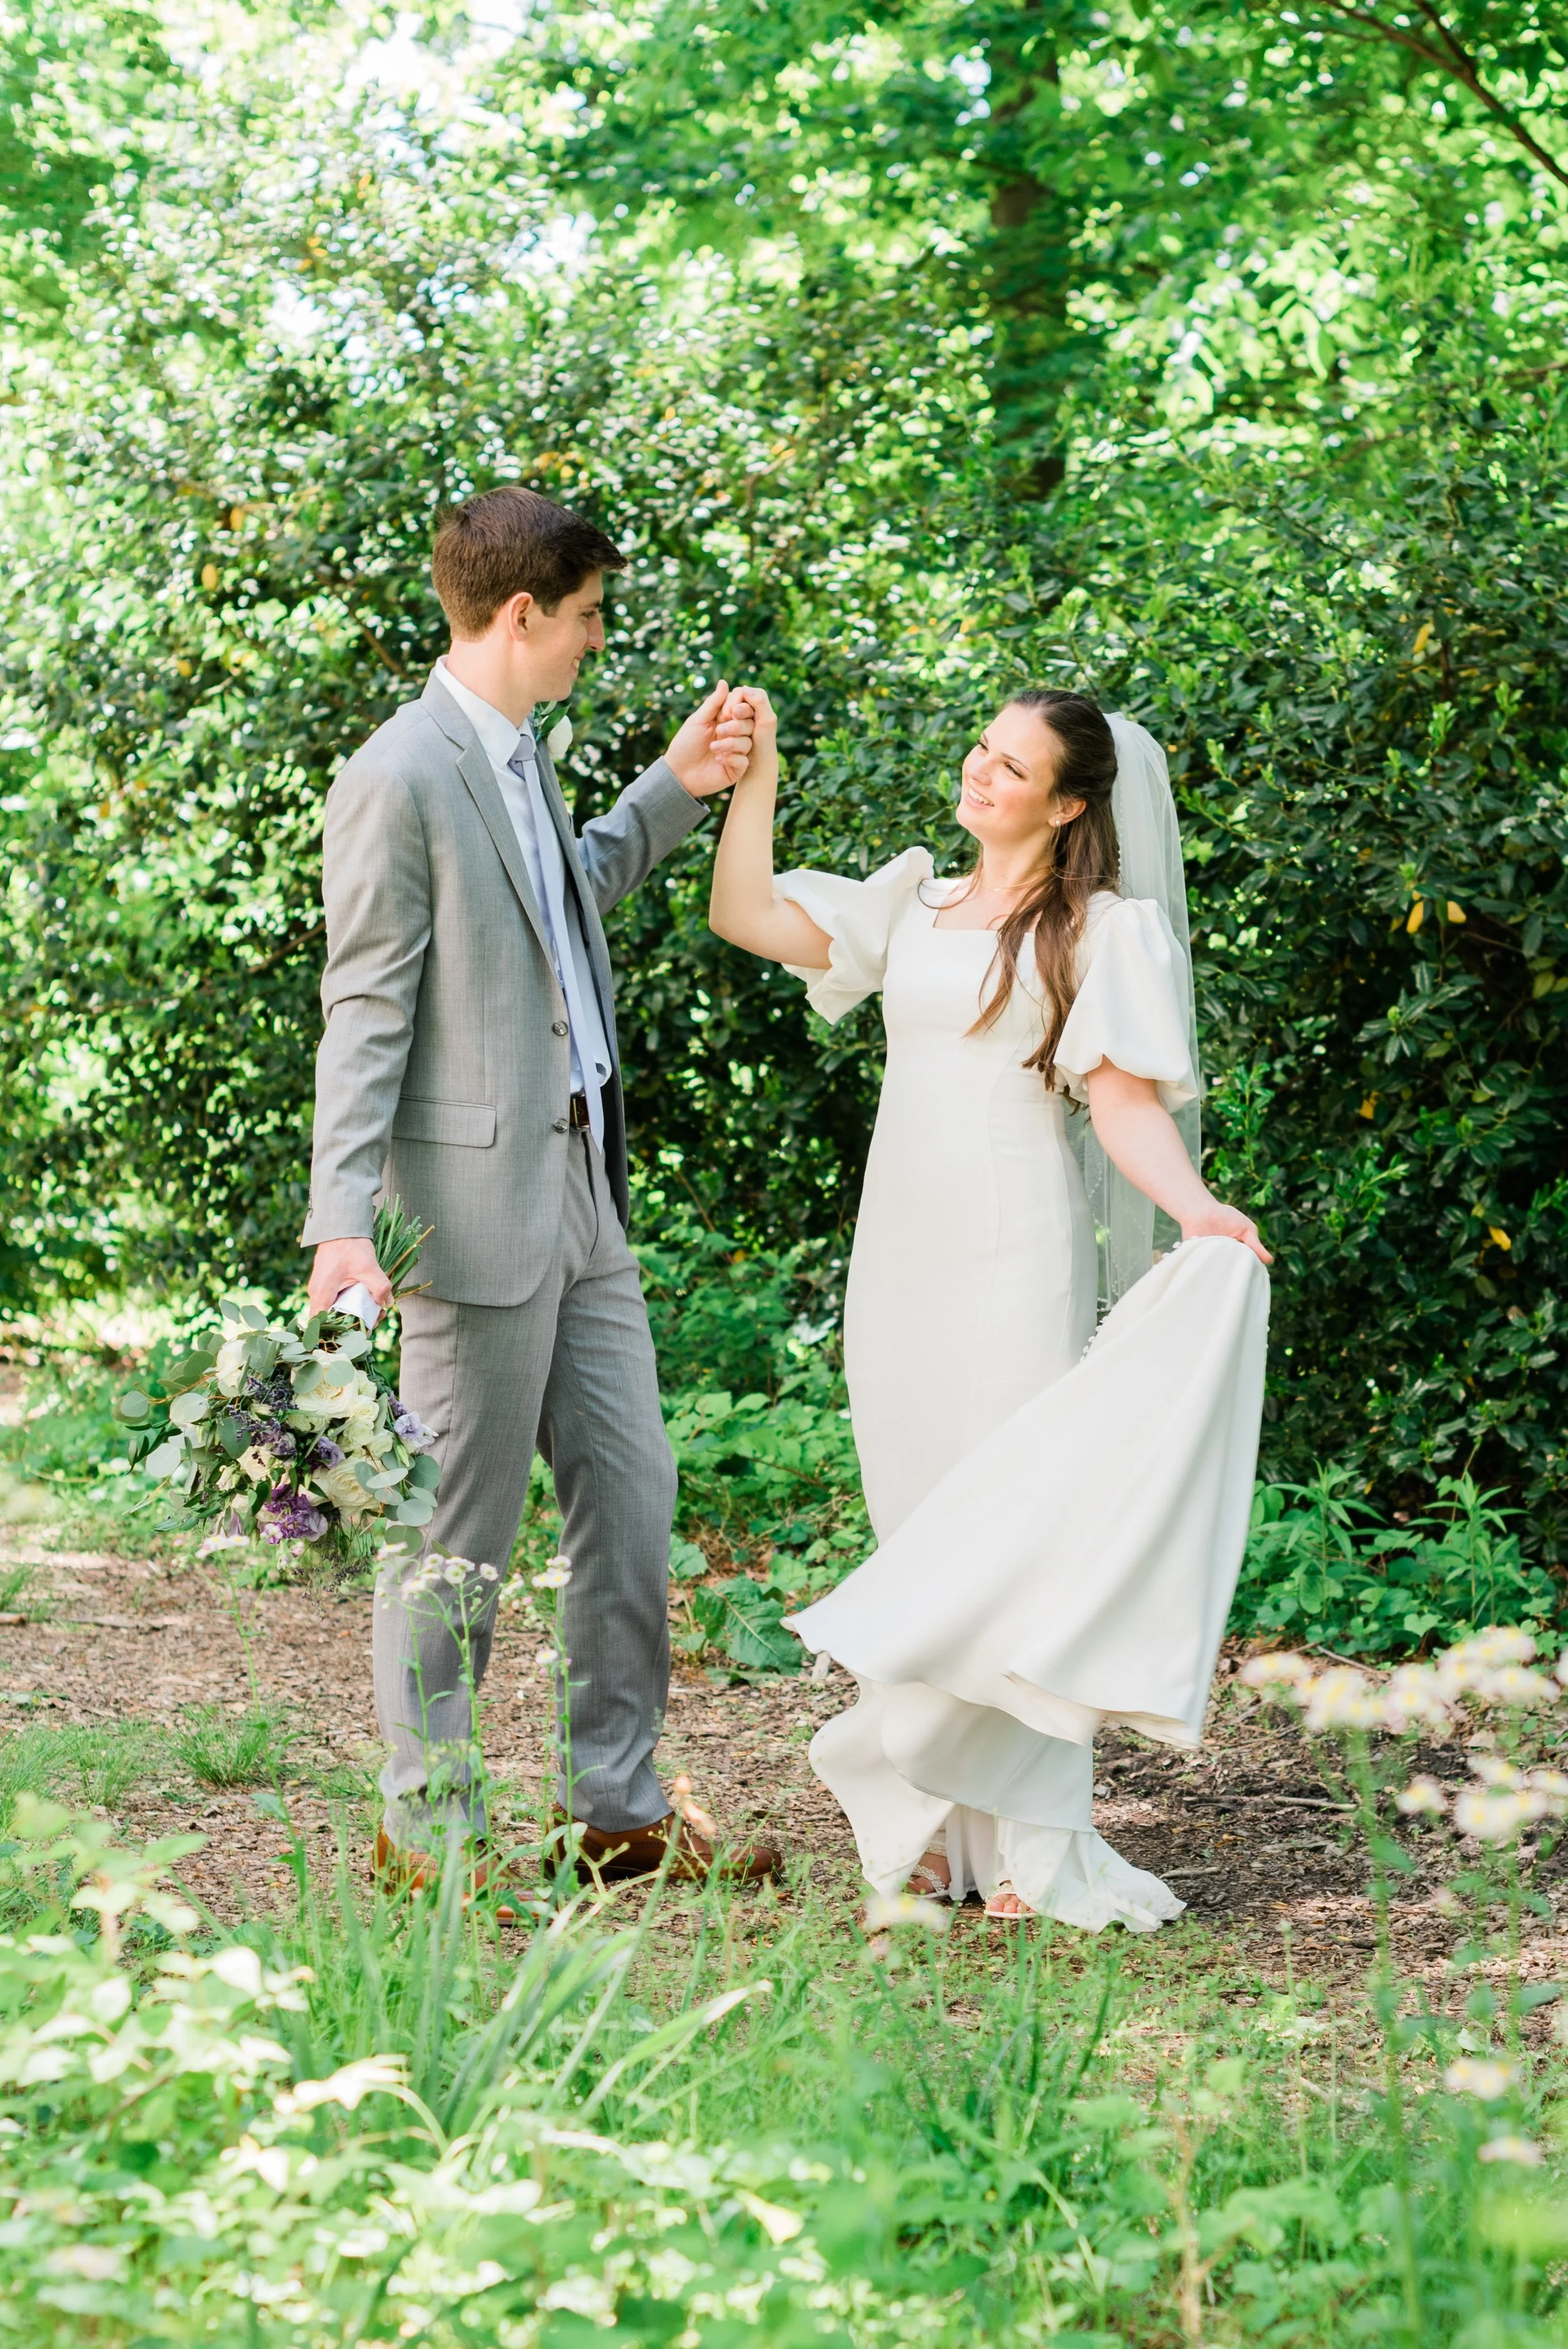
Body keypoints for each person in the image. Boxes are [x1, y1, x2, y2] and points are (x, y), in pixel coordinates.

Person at [708, 685, 1271, 1924]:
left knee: (1013, 1546)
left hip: (1013, 1249)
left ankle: (1030, 1848)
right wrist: (754, 786)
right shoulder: (907, 906)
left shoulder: (1100, 930)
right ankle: (924, 1837)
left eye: (1010, 768)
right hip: (896, 1254)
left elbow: (1120, 1102)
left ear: (1067, 803)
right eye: (979, 751)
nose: (978, 776)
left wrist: (1195, 1211)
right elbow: (742, 913)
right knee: (916, 1531)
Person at [302, 484, 781, 1902]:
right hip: (467, 1211)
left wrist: (670, 789)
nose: (588, 643)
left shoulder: (521, 756)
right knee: (454, 1541)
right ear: (520, 615)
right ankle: (428, 1838)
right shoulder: (398, 776)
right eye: (580, 621)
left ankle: (615, 1813)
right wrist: (343, 1222)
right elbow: (366, 1007)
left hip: (585, 1188)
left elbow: (559, 898)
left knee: (631, 1502)